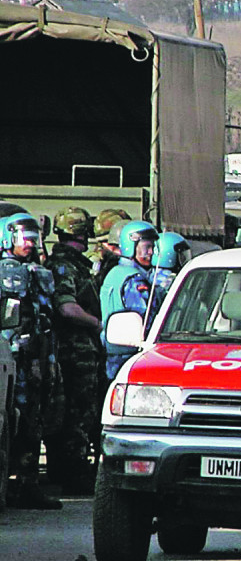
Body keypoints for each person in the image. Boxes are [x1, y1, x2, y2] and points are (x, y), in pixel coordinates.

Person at [0, 213, 63, 509]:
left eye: (34, 238)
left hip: (39, 355)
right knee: (13, 418)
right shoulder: (4, 272)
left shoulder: (40, 272)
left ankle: (27, 483)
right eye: (25, 238)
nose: (31, 243)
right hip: (12, 357)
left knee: (34, 418)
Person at [44, 207, 104, 495]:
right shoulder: (66, 266)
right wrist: (97, 325)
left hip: (75, 350)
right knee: (78, 412)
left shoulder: (73, 264)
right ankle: (71, 472)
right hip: (75, 351)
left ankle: (66, 470)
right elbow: (67, 308)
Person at [100, 220, 161, 379]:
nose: (151, 253)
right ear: (131, 247)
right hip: (129, 355)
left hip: (115, 352)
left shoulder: (116, 272)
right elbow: (146, 319)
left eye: (153, 247)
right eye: (146, 247)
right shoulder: (134, 280)